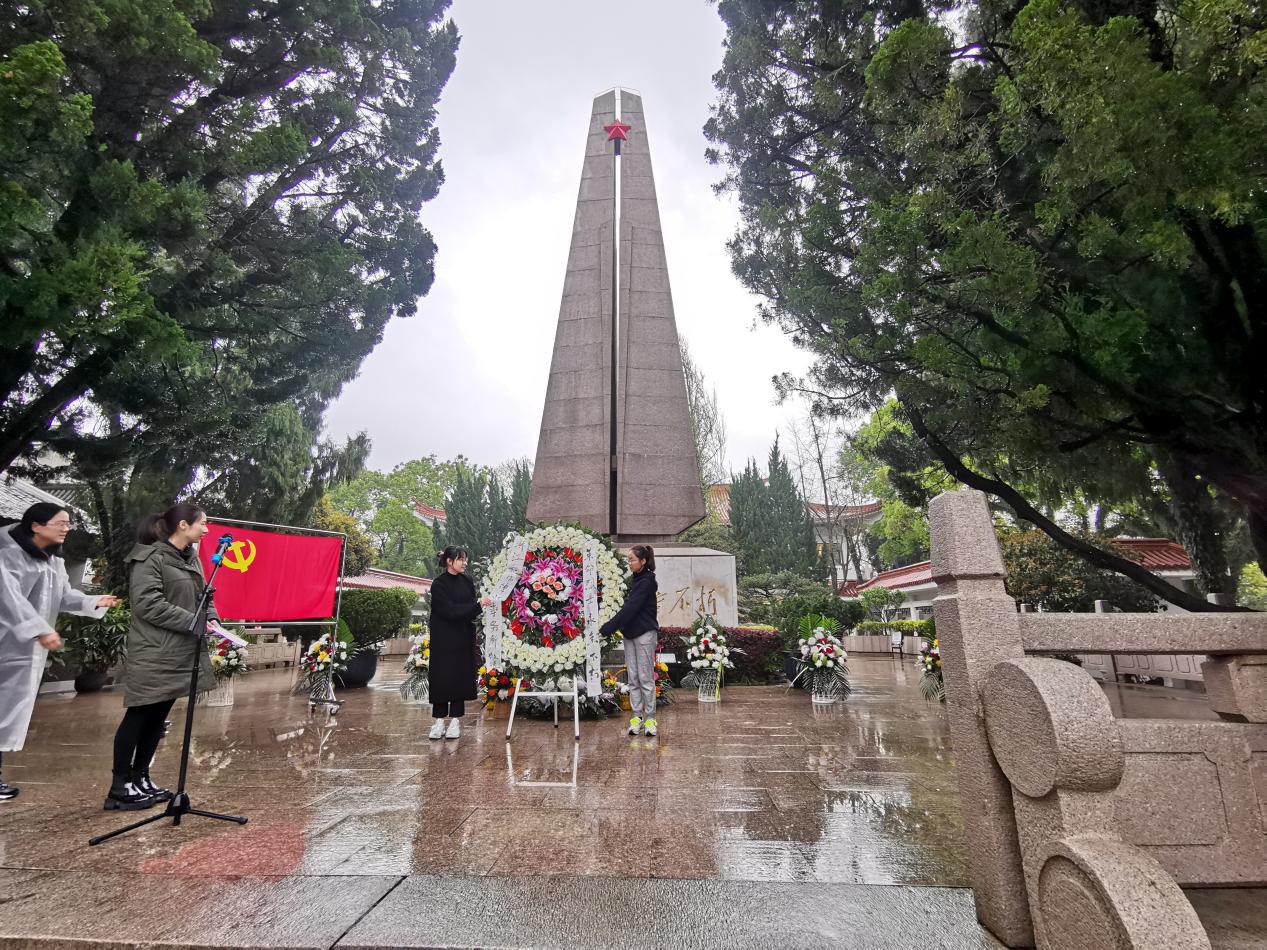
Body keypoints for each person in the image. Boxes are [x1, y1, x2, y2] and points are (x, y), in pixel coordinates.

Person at [0, 503, 119, 801]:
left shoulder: (53, 562)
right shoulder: (9, 556)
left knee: (7, 711)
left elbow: (64, 596)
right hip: (7, 643)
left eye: (68, 524)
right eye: (60, 523)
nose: (66, 529)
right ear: (36, 526)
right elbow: (9, 600)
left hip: (26, 650)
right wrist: (39, 629)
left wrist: (93, 601)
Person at [106, 503, 217, 810]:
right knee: (139, 714)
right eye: (202, 523)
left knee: (158, 717)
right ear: (183, 525)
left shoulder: (191, 558)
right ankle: (119, 787)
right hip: (154, 651)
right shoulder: (150, 558)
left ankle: (141, 777)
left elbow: (203, 596)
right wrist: (193, 621)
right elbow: (148, 604)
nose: (206, 530)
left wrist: (212, 619)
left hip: (180, 650)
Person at [427, 546, 491, 740]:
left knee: (458, 677)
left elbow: (470, 607)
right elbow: (448, 610)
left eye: (465, 559)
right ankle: (439, 721)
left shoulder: (467, 581)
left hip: (462, 635)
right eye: (461, 559)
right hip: (443, 638)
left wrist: (477, 606)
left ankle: (455, 721)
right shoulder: (438, 584)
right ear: (449, 561)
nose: (465, 563)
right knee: (441, 678)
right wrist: (476, 606)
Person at [600, 545, 659, 737]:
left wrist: (610, 627)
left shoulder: (647, 581)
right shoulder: (635, 580)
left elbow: (631, 608)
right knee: (633, 677)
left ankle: (650, 719)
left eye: (632, 560)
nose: (629, 563)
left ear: (643, 561)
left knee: (645, 677)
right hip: (630, 634)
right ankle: (636, 718)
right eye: (628, 560)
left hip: (644, 634)